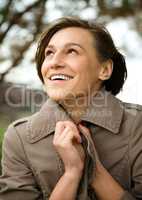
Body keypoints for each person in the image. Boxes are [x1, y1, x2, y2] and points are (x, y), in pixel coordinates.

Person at [0, 16, 142, 200]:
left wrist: (95, 173)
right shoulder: (18, 137)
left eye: (72, 51)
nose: (54, 62)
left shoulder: (138, 125)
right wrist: (72, 174)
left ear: (105, 69)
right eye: (49, 53)